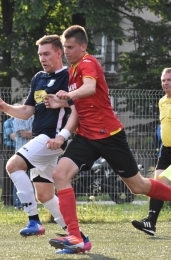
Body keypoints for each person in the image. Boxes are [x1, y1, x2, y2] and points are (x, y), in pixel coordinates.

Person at [44, 26, 171, 253]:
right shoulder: (72, 71)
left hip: (109, 136)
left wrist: (68, 95)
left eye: (71, 47)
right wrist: (61, 103)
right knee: (59, 174)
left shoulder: (88, 63)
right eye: (65, 48)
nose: (67, 52)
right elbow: (80, 106)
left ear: (83, 47)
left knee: (138, 186)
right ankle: (75, 237)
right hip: (85, 137)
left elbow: (90, 88)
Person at [0, 34, 91, 254]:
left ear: (59, 53)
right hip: (41, 141)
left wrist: (62, 135)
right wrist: (4, 106)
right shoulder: (39, 78)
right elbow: (27, 112)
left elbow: (78, 110)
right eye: (40, 55)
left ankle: (34, 221)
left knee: (13, 165)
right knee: (44, 194)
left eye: (47, 53)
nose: (42, 58)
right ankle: (78, 237)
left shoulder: (69, 76)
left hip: (51, 139)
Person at [132, 68, 171, 236]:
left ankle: (150, 220)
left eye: (169, 80)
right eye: (163, 80)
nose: (166, 83)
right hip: (166, 150)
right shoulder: (162, 101)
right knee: (158, 185)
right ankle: (150, 223)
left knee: (163, 182)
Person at [13, 99, 34, 209]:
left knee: (33, 179)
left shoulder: (38, 116)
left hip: (35, 152)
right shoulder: (18, 116)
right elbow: (24, 133)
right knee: (21, 178)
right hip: (22, 152)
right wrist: (38, 132)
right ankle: (19, 204)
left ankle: (31, 204)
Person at [1, 115, 16, 206]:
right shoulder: (8, 122)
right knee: (8, 174)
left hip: (21, 147)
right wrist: (24, 134)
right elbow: (14, 137)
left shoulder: (26, 121)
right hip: (10, 149)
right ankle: (7, 199)